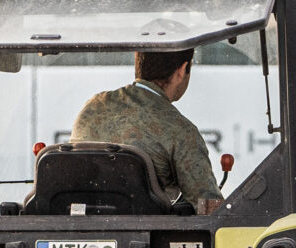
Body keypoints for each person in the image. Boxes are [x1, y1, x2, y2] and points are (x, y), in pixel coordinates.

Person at [70, 49, 224, 212]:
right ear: (182, 70)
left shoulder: (93, 107)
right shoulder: (180, 130)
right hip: (142, 233)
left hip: (79, 229)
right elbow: (210, 209)